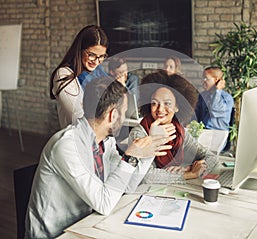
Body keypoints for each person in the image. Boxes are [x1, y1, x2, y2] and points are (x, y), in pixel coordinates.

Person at [25, 77, 176, 238]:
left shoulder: (106, 142)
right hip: (59, 235)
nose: (125, 118)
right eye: (124, 112)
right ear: (112, 115)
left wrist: (148, 152)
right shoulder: (67, 146)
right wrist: (130, 156)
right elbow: (104, 204)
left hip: (86, 225)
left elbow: (127, 187)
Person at [129, 71, 218, 181]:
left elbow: (212, 158)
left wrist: (197, 167)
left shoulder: (179, 131)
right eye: (154, 103)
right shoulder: (139, 134)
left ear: (177, 107)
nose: (160, 109)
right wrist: (189, 174)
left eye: (167, 103)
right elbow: (146, 176)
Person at [50, 25, 109, 129]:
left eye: (101, 56)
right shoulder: (64, 74)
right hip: (79, 138)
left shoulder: (99, 72)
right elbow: (77, 118)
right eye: (91, 55)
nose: (96, 61)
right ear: (80, 50)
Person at [194, 66, 234, 131]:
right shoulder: (203, 95)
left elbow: (214, 110)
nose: (202, 82)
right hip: (203, 133)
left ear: (216, 80)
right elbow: (197, 115)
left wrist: (217, 91)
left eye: (206, 78)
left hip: (218, 135)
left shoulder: (226, 98)